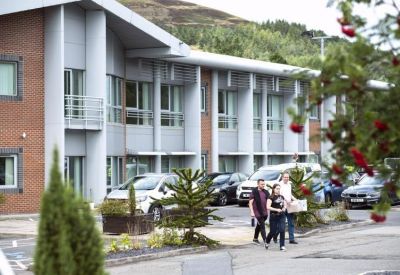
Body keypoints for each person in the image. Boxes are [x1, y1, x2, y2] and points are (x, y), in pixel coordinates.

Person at [265, 183, 287, 251]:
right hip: (274, 216)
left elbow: (285, 205)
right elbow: (268, 207)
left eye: (279, 189)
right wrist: (276, 209)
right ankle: (267, 241)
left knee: (282, 230)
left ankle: (282, 246)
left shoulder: (282, 197)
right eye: (277, 188)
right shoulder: (270, 197)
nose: (278, 190)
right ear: (273, 189)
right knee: (273, 231)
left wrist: (284, 208)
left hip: (282, 215)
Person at [249, 179, 270, 249]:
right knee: (262, 226)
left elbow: (269, 200)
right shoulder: (254, 192)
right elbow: (250, 203)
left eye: (264, 184)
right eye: (262, 184)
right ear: (258, 184)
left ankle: (255, 239)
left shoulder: (266, 192)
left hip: (264, 212)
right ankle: (265, 241)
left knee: (259, 225)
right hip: (257, 212)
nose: (263, 185)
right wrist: (252, 212)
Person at [279, 171, 298, 244]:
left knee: (291, 223)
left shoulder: (289, 184)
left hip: (290, 206)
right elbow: (280, 196)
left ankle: (291, 239)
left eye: (287, 177)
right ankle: (277, 237)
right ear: (282, 177)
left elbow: (289, 194)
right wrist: (286, 200)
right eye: (285, 177)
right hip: (282, 207)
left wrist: (295, 199)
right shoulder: (279, 184)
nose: (286, 178)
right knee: (281, 224)